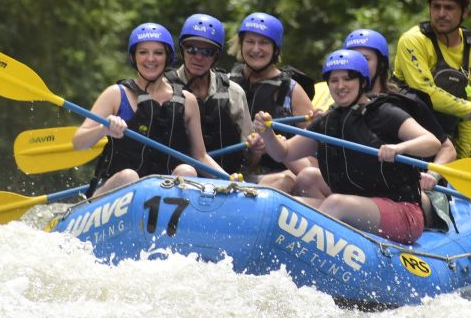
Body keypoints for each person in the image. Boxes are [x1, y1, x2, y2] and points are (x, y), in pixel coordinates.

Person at [252, 49, 441, 244]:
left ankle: (298, 254)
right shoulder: (329, 121)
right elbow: (284, 153)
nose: (340, 86)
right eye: (334, 81)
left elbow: (432, 143)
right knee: (286, 205)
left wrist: (400, 148)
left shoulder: (385, 113)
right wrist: (268, 134)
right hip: (357, 204)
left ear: (362, 82)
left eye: (347, 79)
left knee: (336, 204)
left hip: (403, 213)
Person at [72, 22, 229, 197]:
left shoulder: (187, 101)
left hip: (163, 197)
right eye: (143, 52)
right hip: (114, 194)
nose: (151, 59)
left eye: (158, 53)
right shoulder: (116, 95)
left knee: (187, 171)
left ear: (167, 57)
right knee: (129, 176)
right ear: (134, 57)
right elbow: (78, 143)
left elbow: (200, 157)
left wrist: (230, 180)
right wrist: (104, 129)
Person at [343, 28, 458, 229]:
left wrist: (433, 175)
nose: (357, 66)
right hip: (366, 184)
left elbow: (447, 148)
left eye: (365, 59)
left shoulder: (406, 102)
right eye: (352, 60)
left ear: (381, 64)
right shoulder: (341, 107)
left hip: (413, 190)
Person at [392, 0, 471, 159]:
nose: (441, 14)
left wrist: (463, 157)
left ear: (464, 12)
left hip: (444, 145)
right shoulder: (413, 40)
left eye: (449, 8)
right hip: (402, 137)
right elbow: (427, 93)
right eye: (436, 7)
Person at [229, 12, 317, 191]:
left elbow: (314, 155)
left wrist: (276, 145)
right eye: (250, 41)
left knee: (283, 180)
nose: (256, 49)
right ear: (241, 44)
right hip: (233, 172)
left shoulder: (291, 89)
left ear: (275, 49)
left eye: (263, 43)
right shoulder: (227, 81)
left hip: (277, 175)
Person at [165, 13, 252, 177]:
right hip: (177, 179)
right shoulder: (164, 90)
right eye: (192, 49)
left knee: (282, 179)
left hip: (226, 179)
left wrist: (257, 149)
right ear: (182, 50)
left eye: (207, 52)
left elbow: (249, 159)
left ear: (216, 56)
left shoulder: (233, 92)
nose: (198, 57)